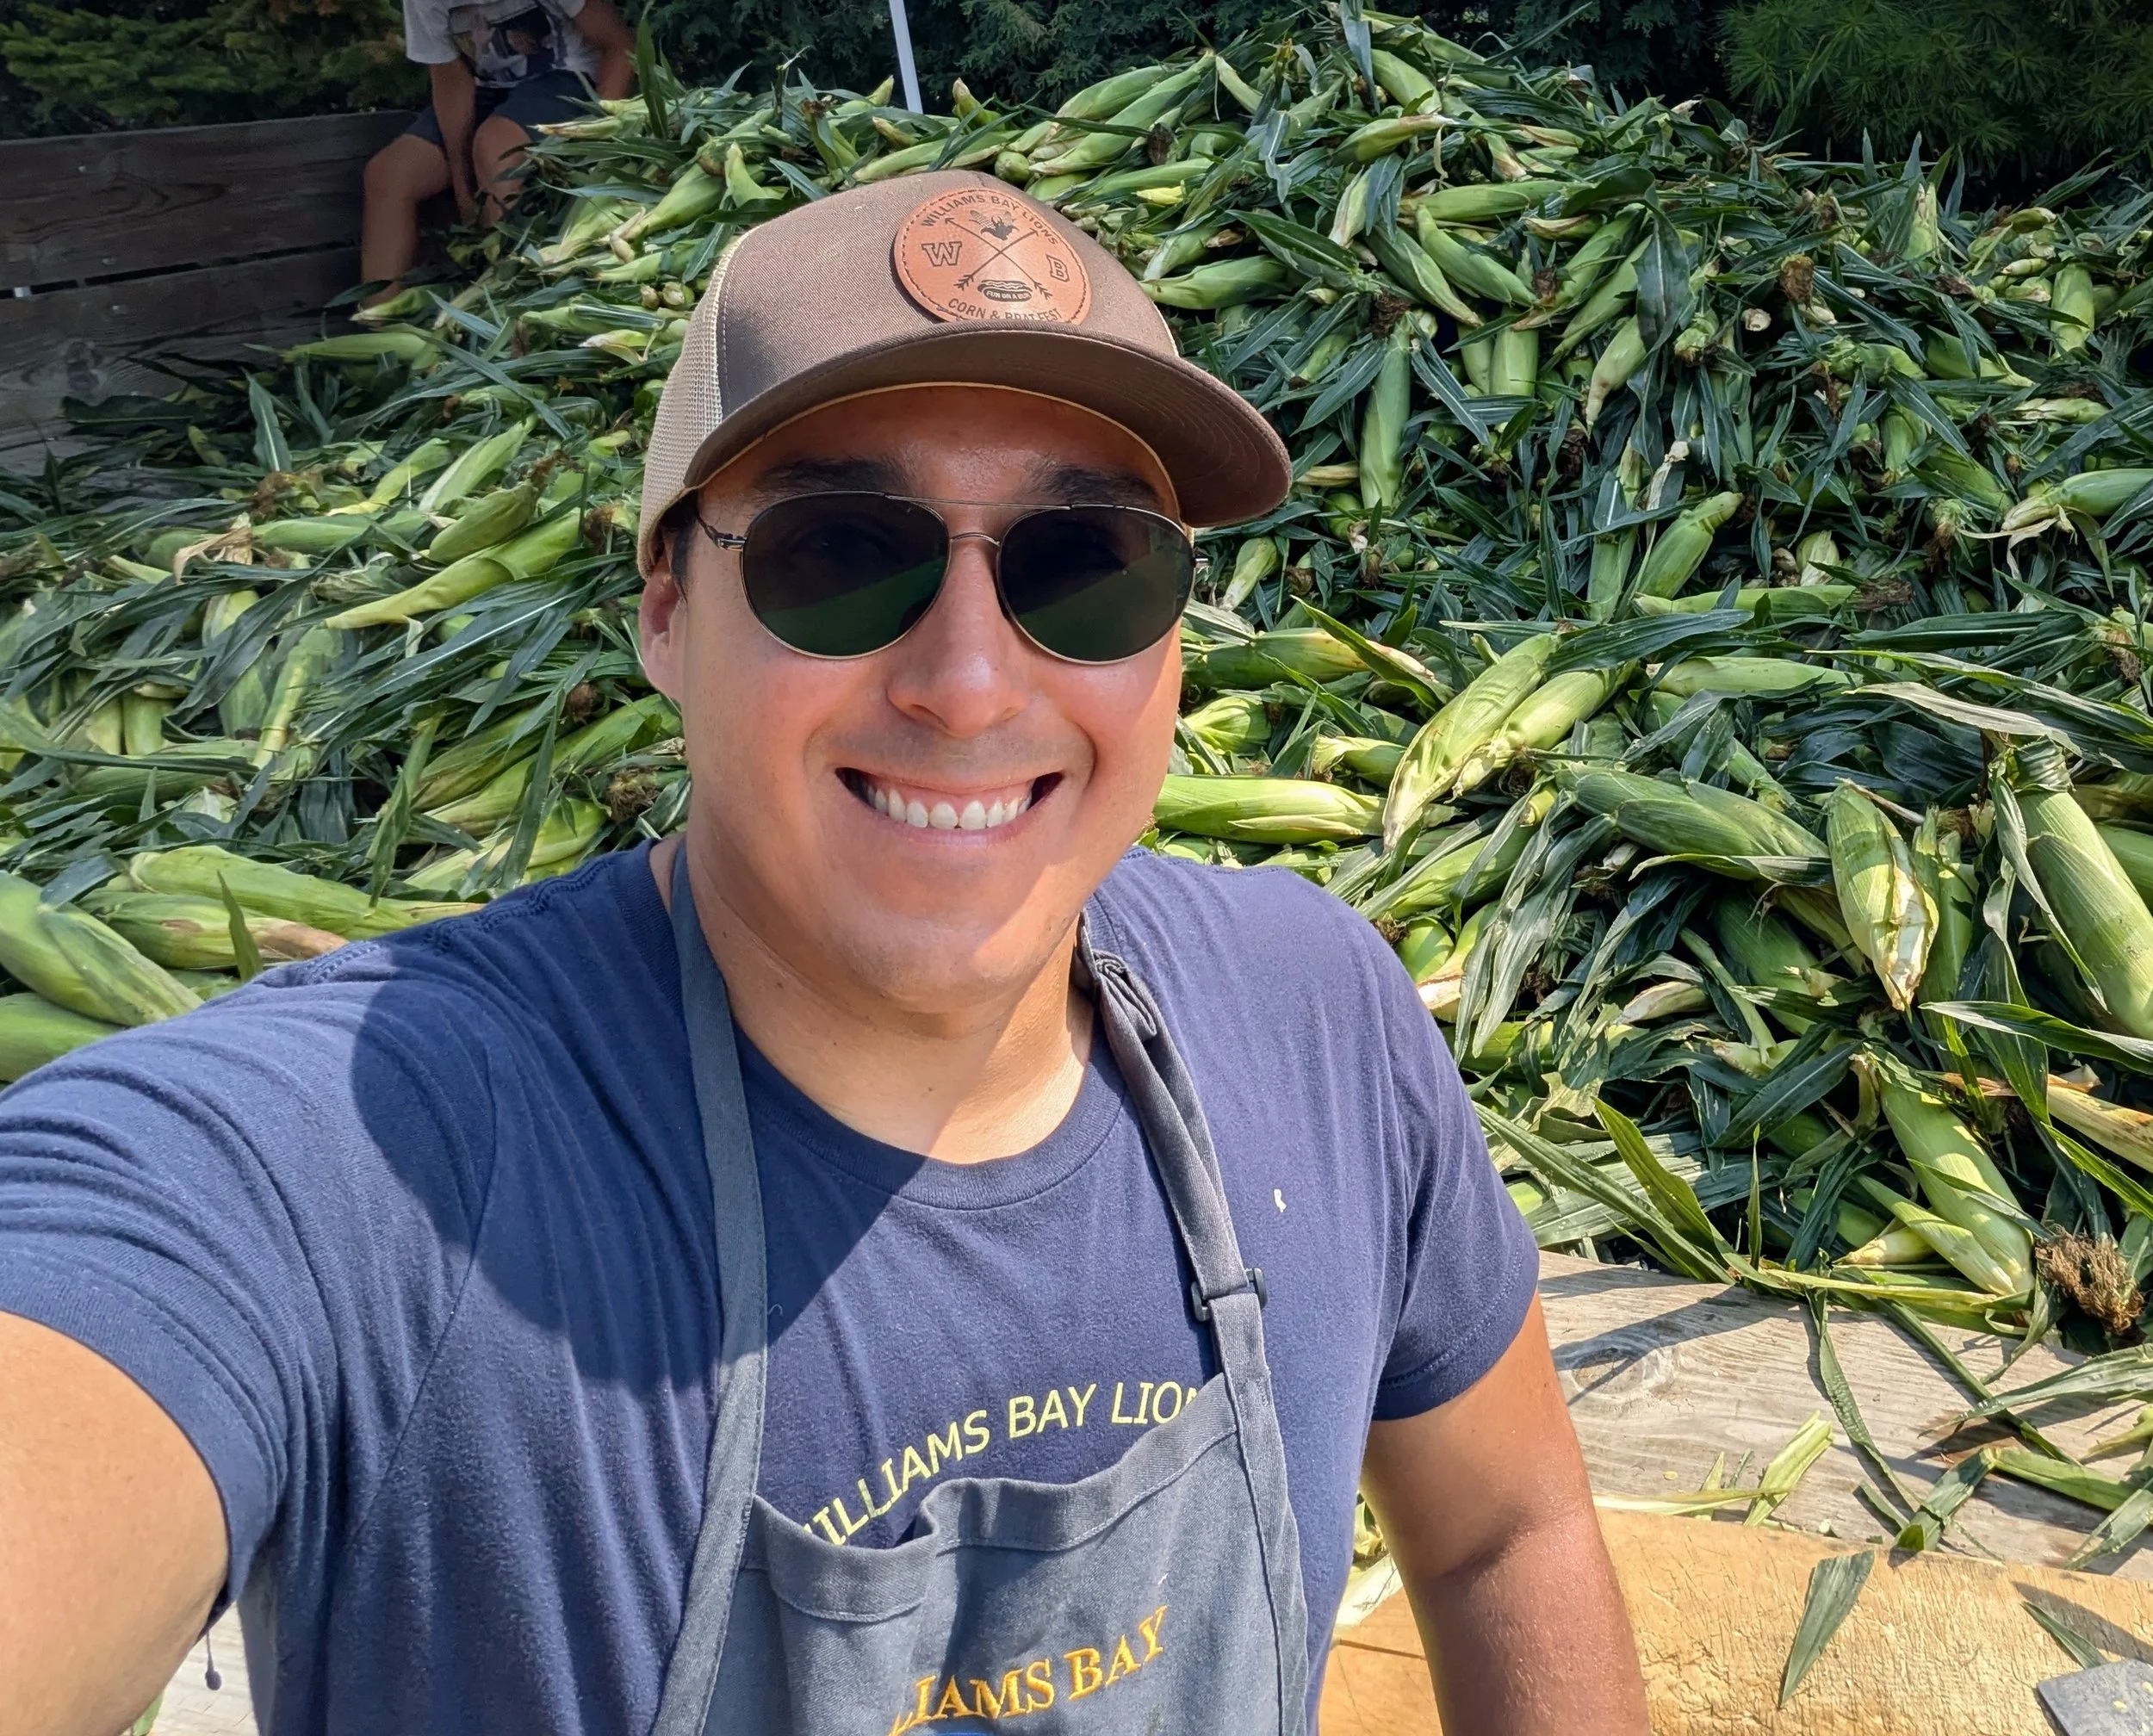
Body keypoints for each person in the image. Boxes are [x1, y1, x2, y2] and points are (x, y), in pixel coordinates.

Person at [0, 171, 1648, 1736]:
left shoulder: (1317, 1018)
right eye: (842, 555)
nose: (971, 682)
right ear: (662, 611)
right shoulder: (370, 1157)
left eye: (1087, 567)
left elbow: (1509, 1530)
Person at [360, 0, 634, 299]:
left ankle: (503, 307)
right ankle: (380, 322)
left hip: (570, 78)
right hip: (488, 90)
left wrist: (599, 136)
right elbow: (451, 81)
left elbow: (618, 45)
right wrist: (462, 184)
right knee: (389, 174)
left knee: (496, 146)